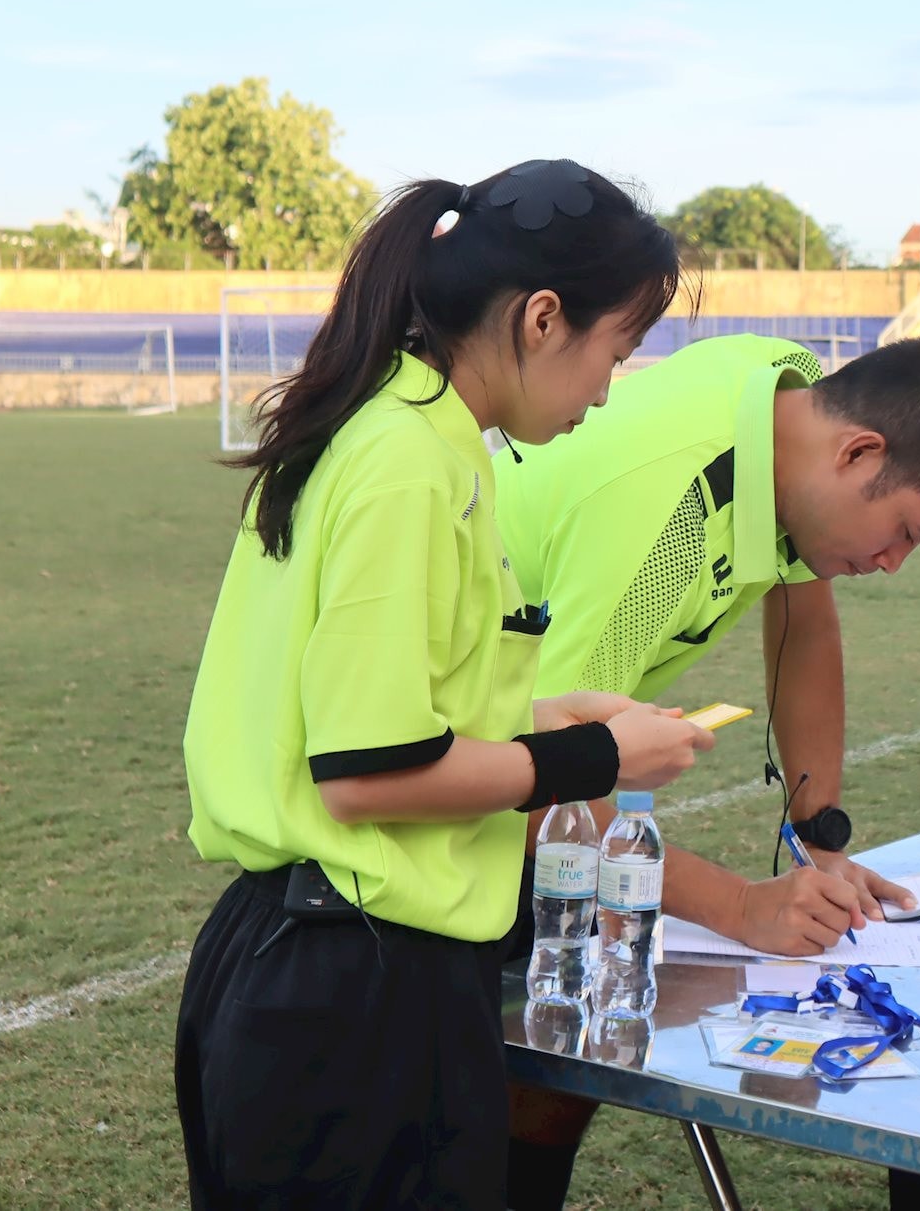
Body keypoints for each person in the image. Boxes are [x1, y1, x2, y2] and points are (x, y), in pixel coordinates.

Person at [175, 165, 719, 1211]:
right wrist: (599, 759)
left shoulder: (403, 428)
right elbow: (368, 773)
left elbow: (370, 705)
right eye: (617, 349)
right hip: (354, 996)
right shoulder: (408, 458)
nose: (611, 386)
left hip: (324, 970)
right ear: (542, 318)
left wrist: (543, 716)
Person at [493, 330, 920, 1211]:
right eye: (905, 533)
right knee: (522, 1048)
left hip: (512, 756)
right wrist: (743, 905)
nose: (893, 564)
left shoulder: (793, 401)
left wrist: (820, 842)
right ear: (860, 453)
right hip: (443, 794)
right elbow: (539, 790)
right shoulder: (659, 527)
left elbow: (805, 624)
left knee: (556, 1062)